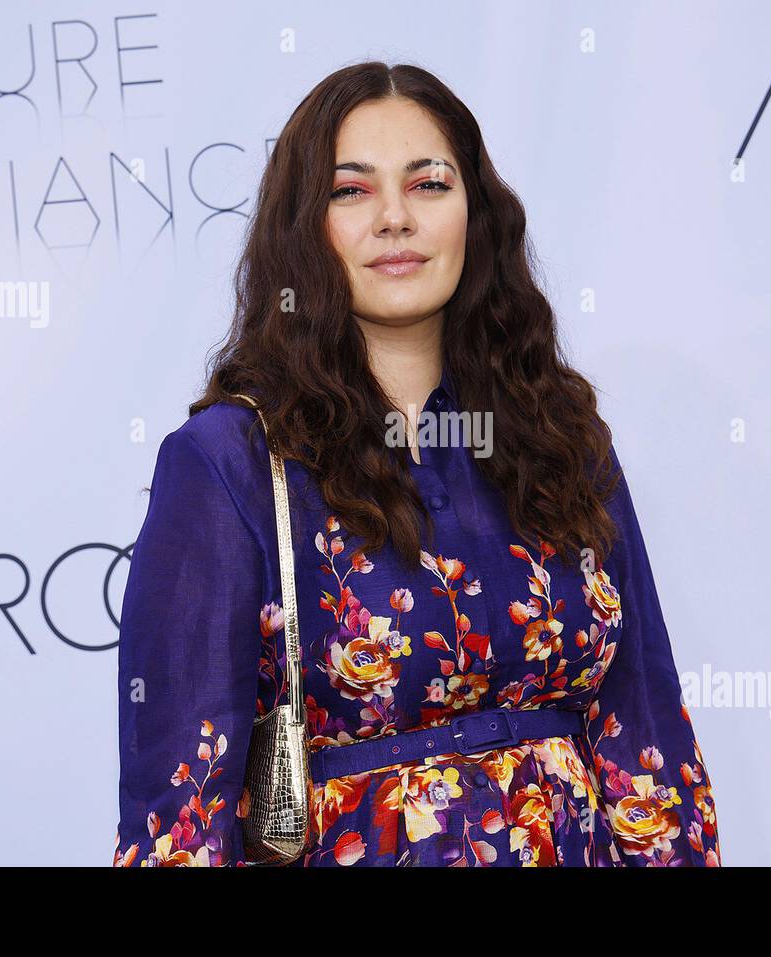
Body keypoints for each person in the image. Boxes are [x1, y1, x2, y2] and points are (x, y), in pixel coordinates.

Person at [112, 61, 721, 867]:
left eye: (429, 184)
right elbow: (178, 818)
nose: (395, 218)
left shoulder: (560, 432)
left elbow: (647, 737)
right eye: (351, 191)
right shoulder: (228, 461)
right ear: (303, 227)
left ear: (477, 212)